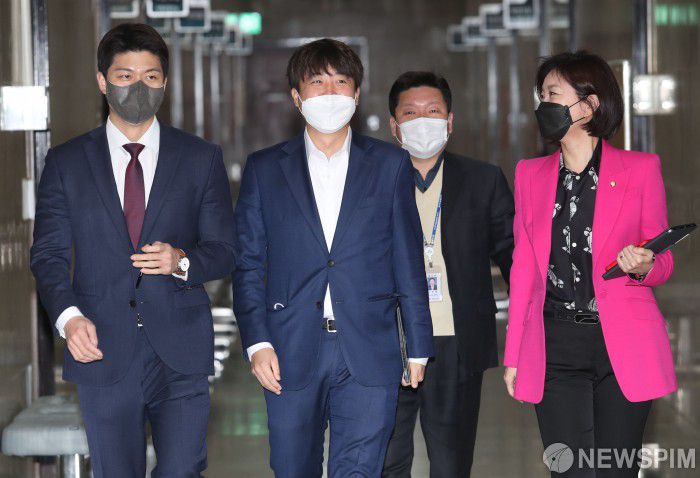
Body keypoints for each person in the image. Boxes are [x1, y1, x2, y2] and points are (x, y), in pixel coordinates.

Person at [30, 23, 235, 477]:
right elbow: (47, 255)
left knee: (183, 469)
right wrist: (68, 318)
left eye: (151, 76)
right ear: (102, 81)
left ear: (165, 83)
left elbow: (225, 250)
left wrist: (181, 261)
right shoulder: (66, 163)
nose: (138, 87)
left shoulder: (200, 158)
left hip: (180, 349)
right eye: (125, 76)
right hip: (102, 348)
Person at [232, 39, 434, 478]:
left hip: (369, 345)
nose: (330, 93)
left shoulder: (389, 164)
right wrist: (257, 342)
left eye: (341, 82)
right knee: (292, 466)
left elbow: (406, 257)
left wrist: (418, 343)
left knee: (360, 469)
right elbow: (248, 264)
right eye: (317, 83)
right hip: (288, 347)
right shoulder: (265, 169)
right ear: (296, 97)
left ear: (356, 94)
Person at [503, 51, 677, 477]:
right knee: (569, 470)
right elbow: (523, 269)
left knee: (615, 469)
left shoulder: (640, 169)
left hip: (624, 342)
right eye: (542, 95)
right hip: (555, 344)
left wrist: (644, 263)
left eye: (553, 94)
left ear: (589, 104)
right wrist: (514, 353)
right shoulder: (529, 175)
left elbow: (663, 260)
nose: (543, 104)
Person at [382, 72, 514, 478]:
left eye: (433, 111)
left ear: (450, 121)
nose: (423, 121)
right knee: (386, 460)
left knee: (451, 462)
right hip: (388, 339)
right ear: (394, 125)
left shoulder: (482, 180)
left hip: (456, 341)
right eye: (410, 113)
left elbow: (513, 256)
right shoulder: (373, 179)